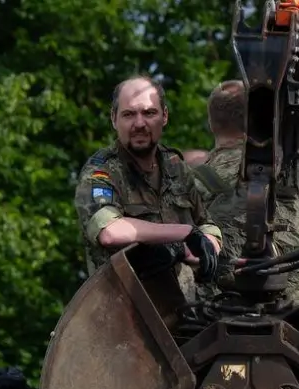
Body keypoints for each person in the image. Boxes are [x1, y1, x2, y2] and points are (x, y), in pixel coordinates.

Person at [188, 80, 299, 320]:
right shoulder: (286, 174)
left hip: (217, 320)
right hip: (290, 319)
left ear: (211, 124)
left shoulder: (191, 184)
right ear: (258, 121)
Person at [75, 76, 222, 281]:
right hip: (121, 304)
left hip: (182, 304)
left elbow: (206, 223)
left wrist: (207, 246)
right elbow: (109, 231)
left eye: (149, 112)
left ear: (164, 116)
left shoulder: (175, 166)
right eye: (129, 114)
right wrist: (185, 232)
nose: (139, 123)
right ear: (113, 118)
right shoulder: (101, 171)